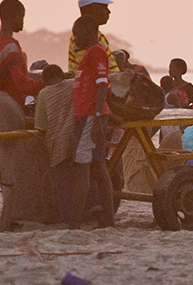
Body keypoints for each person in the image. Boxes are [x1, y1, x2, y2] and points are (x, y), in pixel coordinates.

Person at [68, 16, 114, 228]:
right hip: (88, 115)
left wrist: (96, 118)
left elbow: (102, 85)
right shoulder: (90, 53)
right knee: (97, 166)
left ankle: (75, 218)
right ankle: (107, 218)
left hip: (89, 116)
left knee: (81, 167)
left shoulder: (95, 52)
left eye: (77, 35)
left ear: (88, 32)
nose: (75, 39)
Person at [0, 0, 44, 108]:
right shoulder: (11, 48)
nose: (22, 22)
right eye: (21, 17)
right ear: (12, 16)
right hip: (5, 110)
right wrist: (46, 82)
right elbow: (22, 85)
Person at [33, 64, 73, 223]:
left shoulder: (44, 94)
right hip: (77, 138)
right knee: (78, 177)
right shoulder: (72, 85)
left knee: (61, 181)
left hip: (58, 141)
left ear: (45, 80)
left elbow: (41, 126)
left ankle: (64, 215)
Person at [67, 0, 117, 75]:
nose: (108, 12)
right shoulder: (83, 37)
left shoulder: (97, 35)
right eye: (104, 8)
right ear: (91, 9)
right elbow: (91, 70)